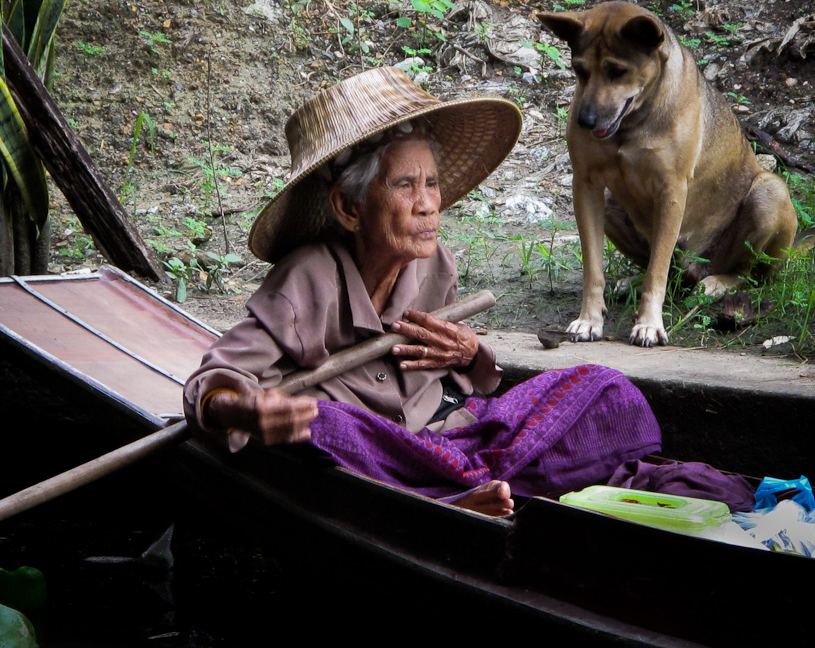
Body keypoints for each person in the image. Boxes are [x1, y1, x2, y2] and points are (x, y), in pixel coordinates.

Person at [184, 67, 661, 516]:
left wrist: (471, 353)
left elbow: (461, 381)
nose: (429, 204)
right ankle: (445, 502)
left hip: (452, 436)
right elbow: (213, 381)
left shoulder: (435, 265)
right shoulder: (306, 279)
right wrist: (244, 409)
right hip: (380, 456)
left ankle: (466, 482)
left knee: (606, 389)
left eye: (432, 183)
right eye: (405, 185)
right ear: (349, 207)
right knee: (328, 427)